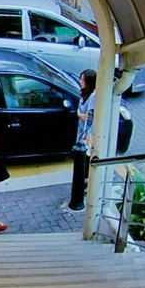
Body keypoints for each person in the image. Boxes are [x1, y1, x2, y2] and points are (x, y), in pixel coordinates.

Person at [65, 69, 97, 212]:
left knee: (87, 159)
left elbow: (90, 117)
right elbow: (80, 110)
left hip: (86, 134)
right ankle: (85, 184)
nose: (80, 81)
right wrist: (79, 114)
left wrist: (87, 135)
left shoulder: (93, 96)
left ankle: (89, 185)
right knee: (84, 159)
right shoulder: (84, 94)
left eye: (82, 80)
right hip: (81, 131)